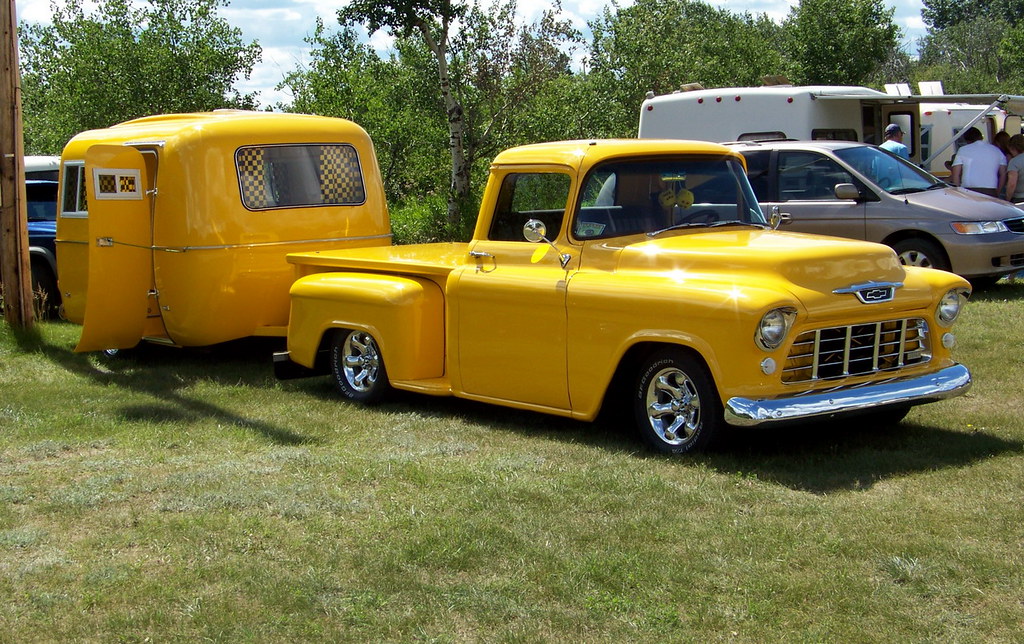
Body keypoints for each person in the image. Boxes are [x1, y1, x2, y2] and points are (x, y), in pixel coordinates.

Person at [950, 127, 1006, 197]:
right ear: (980, 136)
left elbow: (956, 174)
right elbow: (1003, 174)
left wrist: (958, 192)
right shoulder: (997, 150)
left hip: (968, 190)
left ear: (967, 141)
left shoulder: (963, 150)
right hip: (991, 190)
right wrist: (998, 191)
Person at [1004, 134, 1024, 202]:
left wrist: (1007, 200)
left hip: (1019, 199)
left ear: (1013, 148)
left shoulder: (1014, 161)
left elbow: (1012, 184)